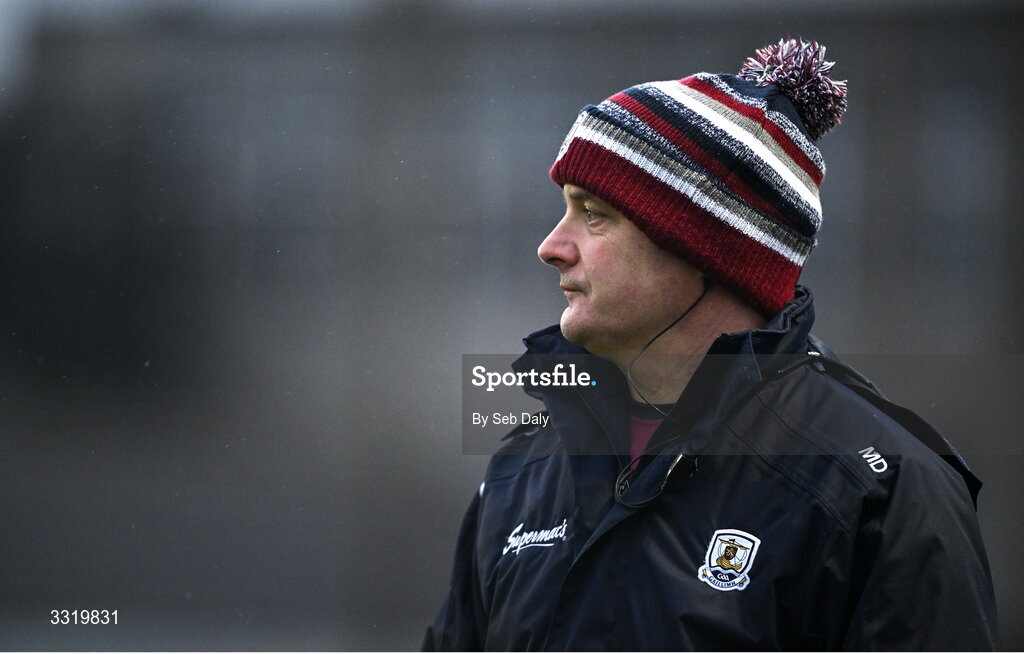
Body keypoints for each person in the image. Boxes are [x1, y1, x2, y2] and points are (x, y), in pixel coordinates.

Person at [424, 38, 998, 650]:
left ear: (704, 246)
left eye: (592, 214)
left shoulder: (882, 488)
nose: (552, 246)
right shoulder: (519, 470)